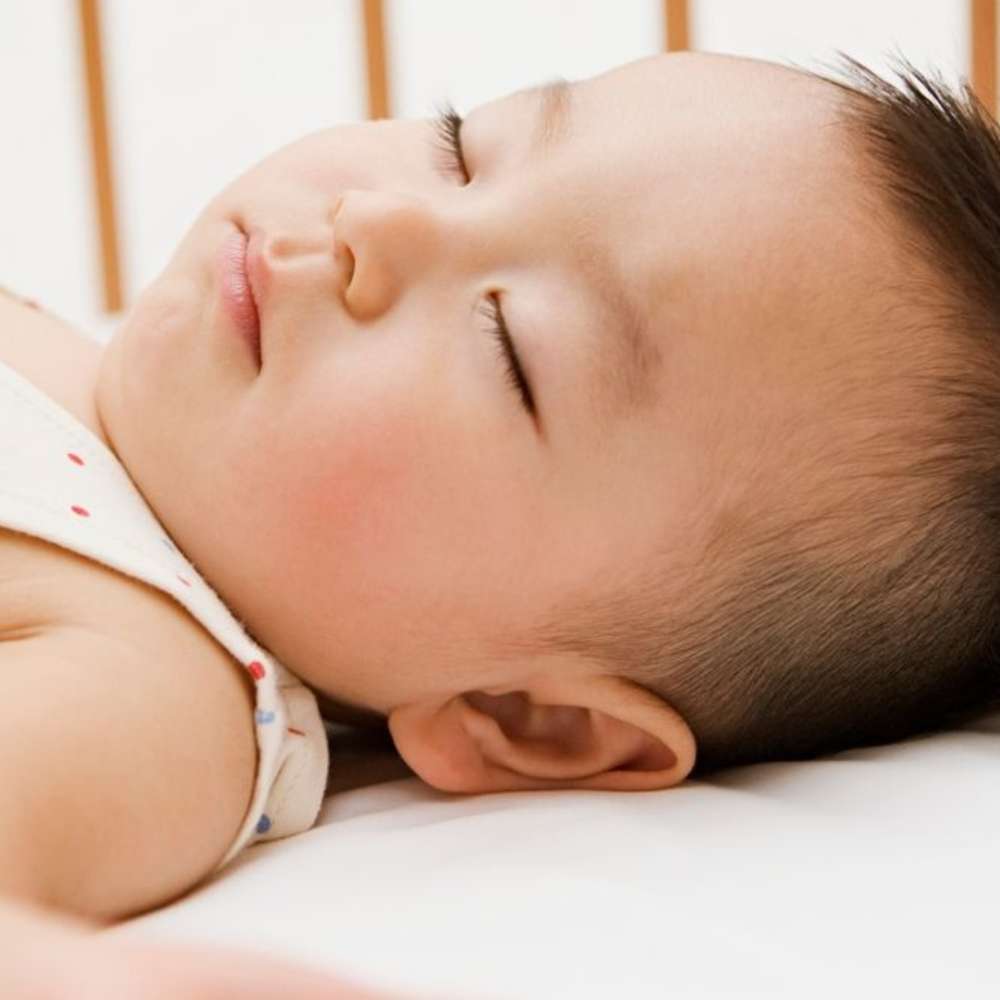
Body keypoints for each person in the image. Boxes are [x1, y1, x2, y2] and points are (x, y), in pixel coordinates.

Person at [4, 46, 1000, 993]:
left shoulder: (149, 685)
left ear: (533, 720)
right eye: (461, 150)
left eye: (509, 344)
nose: (376, 220)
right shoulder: (62, 353)